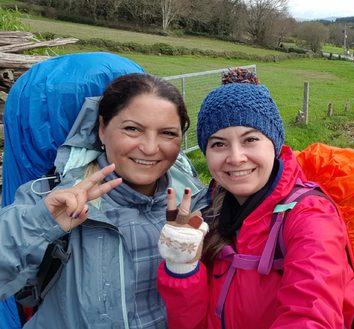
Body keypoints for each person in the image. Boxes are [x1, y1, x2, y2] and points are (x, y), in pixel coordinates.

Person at [0, 70, 207, 328]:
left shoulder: (199, 205)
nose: (151, 147)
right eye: (132, 129)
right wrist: (41, 222)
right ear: (101, 129)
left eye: (167, 133)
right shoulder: (52, 199)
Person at [157, 76, 354, 328]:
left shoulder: (310, 217)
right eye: (218, 144)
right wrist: (181, 267)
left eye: (250, 139)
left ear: (274, 144)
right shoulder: (210, 214)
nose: (236, 157)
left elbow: (312, 315)